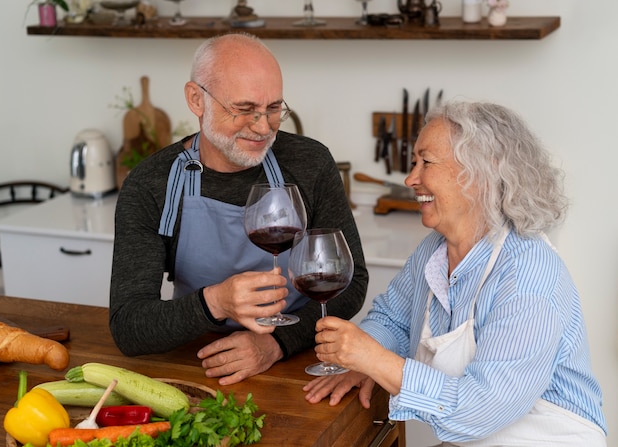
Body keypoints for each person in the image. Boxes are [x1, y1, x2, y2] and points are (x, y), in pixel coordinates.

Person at [303, 101, 607, 446]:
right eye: (414, 162)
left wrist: (375, 359)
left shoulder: (528, 277)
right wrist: (362, 360)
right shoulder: (434, 250)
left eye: (426, 163)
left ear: (481, 173)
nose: (410, 179)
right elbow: (393, 319)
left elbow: (479, 410)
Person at [109, 33, 368, 386]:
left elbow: (351, 282)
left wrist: (277, 342)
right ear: (196, 99)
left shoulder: (310, 163)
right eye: (245, 109)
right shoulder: (151, 184)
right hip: (199, 364)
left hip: (299, 367)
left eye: (274, 108)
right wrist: (216, 302)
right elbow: (129, 327)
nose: (263, 128)